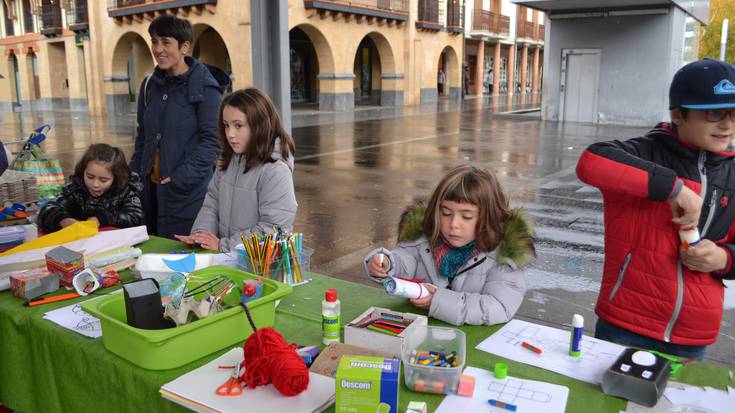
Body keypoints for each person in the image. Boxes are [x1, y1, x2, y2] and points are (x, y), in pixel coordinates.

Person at [576, 58, 735, 359]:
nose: (727, 124)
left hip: (693, 333)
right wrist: (674, 189)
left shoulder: (732, 173)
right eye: (714, 112)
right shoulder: (647, 151)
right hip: (626, 322)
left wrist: (722, 258)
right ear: (678, 114)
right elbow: (591, 161)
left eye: (734, 113)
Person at [363, 165, 534, 326]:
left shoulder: (503, 256)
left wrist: (438, 301)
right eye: (446, 213)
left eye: (466, 217)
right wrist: (387, 263)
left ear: (488, 218)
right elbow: (405, 262)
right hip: (420, 332)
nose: (454, 224)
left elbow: (499, 307)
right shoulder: (423, 239)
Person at [129, 14, 230, 239]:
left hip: (187, 195)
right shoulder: (148, 85)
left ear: (184, 47)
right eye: (154, 42)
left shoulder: (205, 87)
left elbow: (213, 142)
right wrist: (134, 174)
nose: (158, 49)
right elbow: (143, 135)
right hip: (149, 193)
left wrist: (179, 178)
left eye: (166, 42)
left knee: (183, 262)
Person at [175, 88, 297, 252]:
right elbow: (212, 204)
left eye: (238, 125)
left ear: (260, 124)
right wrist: (202, 235)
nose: (230, 134)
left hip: (261, 268)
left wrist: (223, 245)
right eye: (226, 125)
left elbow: (274, 229)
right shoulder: (227, 160)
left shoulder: (275, 170)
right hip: (229, 259)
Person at [38, 144, 143, 233]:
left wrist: (102, 219)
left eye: (103, 180)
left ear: (116, 177)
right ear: (83, 170)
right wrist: (63, 220)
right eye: (90, 177)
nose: (95, 184)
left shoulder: (126, 190)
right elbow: (47, 210)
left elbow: (135, 216)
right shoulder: (75, 189)